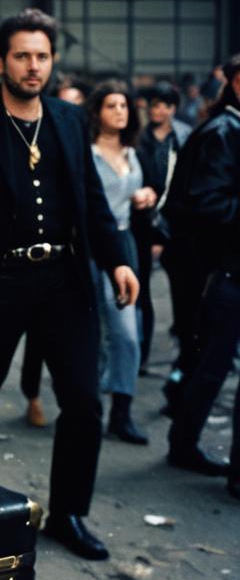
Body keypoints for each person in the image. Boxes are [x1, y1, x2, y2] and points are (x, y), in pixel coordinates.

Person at [0, 8, 140, 561]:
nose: (33, 66)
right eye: (22, 56)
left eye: (41, 56)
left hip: (63, 279)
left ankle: (68, 513)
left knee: (84, 402)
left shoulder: (67, 119)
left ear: (51, 61)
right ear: (0, 61)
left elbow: (89, 200)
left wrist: (118, 262)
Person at [164, 54, 240, 499]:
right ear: (232, 82)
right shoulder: (224, 132)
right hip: (222, 269)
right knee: (210, 364)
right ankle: (186, 446)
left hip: (219, 268)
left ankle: (184, 444)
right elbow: (207, 205)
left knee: (208, 363)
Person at [87, 80, 157, 444]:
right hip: (90, 247)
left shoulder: (133, 153)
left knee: (128, 333)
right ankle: (89, 409)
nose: (119, 111)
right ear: (97, 112)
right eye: (111, 105)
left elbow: (132, 195)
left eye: (124, 106)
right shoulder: (87, 154)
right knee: (92, 332)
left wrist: (144, 195)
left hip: (125, 244)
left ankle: (122, 411)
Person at [18, 75, 89, 427]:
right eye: (65, 101)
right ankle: (32, 395)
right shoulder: (37, 133)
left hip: (73, 260)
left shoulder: (77, 135)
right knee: (34, 342)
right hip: (24, 263)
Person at [134, 82, 191, 379]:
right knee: (141, 293)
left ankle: (183, 357)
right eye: (154, 104)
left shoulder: (183, 138)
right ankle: (141, 356)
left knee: (182, 294)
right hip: (143, 222)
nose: (158, 111)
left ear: (173, 108)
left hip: (176, 227)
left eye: (164, 106)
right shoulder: (138, 138)